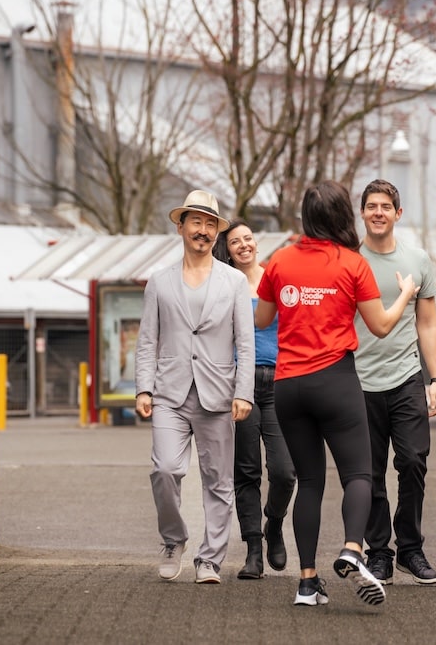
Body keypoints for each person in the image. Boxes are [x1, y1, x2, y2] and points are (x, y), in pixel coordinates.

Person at [255, 180, 418, 608]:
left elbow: (261, 318)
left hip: (288, 385)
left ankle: (307, 583)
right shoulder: (352, 263)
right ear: (344, 216)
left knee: (308, 482)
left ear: (306, 216)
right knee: (360, 475)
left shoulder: (280, 260)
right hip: (336, 381)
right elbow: (381, 326)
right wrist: (404, 295)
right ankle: (352, 548)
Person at [135, 189, 255, 585]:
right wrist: (143, 389)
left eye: (209, 224)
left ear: (216, 232)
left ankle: (210, 560)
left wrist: (243, 391)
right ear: (181, 226)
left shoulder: (235, 281)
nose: (202, 231)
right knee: (165, 469)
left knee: (218, 481)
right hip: (169, 393)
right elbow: (147, 340)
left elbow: (244, 342)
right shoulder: (159, 282)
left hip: (218, 394)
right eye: (195, 222)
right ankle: (173, 541)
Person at [353, 179, 436, 586]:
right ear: (362, 213)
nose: (378, 212)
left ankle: (410, 548)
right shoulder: (349, 260)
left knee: (412, 461)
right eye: (371, 206)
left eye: (385, 206)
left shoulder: (418, 259)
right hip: (357, 382)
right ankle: (379, 554)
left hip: (406, 377)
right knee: (369, 472)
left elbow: (427, 323)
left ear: (397, 213)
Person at [213, 220, 296, 580]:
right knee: (245, 471)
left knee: (284, 471)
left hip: (279, 383)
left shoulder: (275, 278)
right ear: (228, 250)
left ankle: (274, 523)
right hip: (239, 385)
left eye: (248, 238)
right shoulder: (224, 285)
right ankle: (253, 552)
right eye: (235, 242)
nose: (243, 245)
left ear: (256, 244)